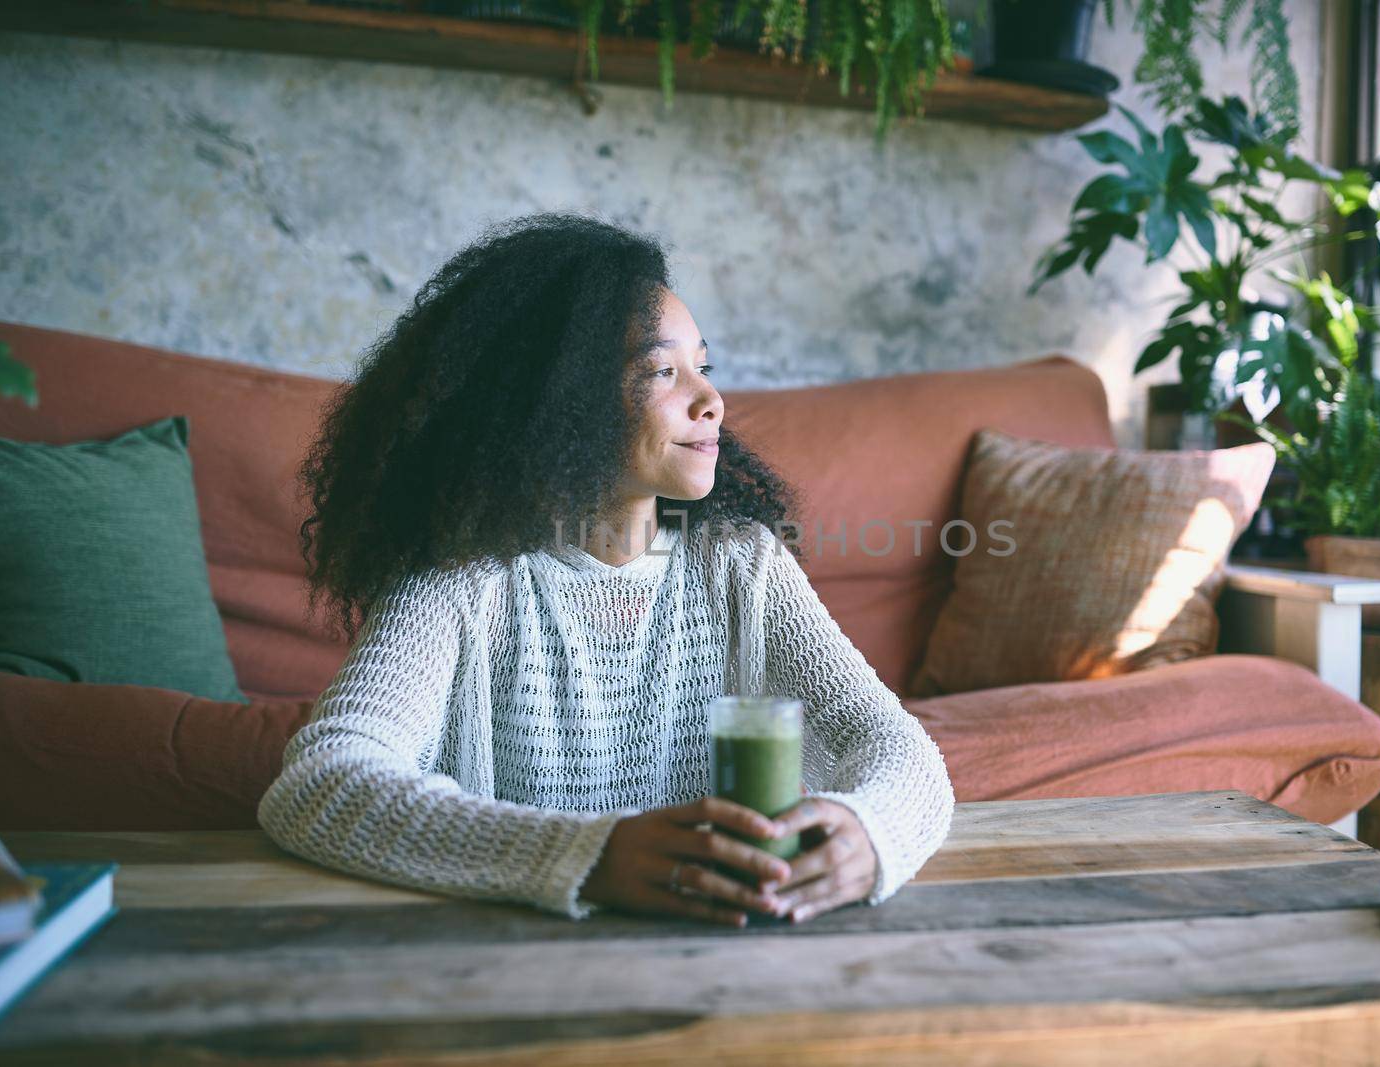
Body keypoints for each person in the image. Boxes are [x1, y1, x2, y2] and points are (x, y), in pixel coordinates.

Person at [257, 212, 955, 926]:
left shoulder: (742, 565)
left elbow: (897, 748)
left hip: (739, 951)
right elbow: (322, 781)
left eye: (702, 367)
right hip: (515, 969)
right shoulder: (463, 581)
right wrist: (590, 854)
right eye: (661, 371)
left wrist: (870, 834)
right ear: (560, 400)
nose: (711, 400)